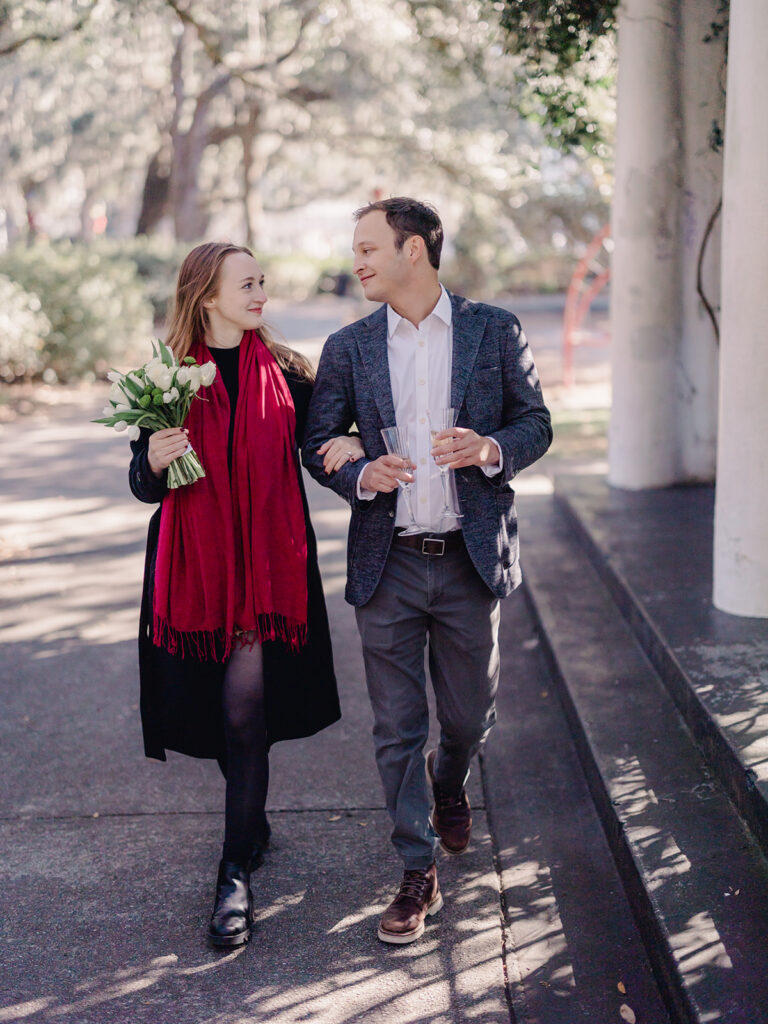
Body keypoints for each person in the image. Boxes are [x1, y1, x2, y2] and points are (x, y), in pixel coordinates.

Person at [302, 197, 552, 944]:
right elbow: (317, 439)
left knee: (470, 716)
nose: (359, 261)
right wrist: (354, 470)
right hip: (390, 561)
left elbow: (535, 422)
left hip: (472, 560)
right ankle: (416, 871)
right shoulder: (348, 346)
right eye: (356, 249)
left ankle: (450, 786)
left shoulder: (493, 329)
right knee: (396, 726)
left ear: (415, 249)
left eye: (370, 247)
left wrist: (488, 449)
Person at [128, 241, 363, 948]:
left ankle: (233, 871)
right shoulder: (167, 379)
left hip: (267, 574)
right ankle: (250, 820)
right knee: (215, 710)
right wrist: (152, 461)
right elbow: (142, 484)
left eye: (263, 281)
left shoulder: (289, 374)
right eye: (247, 284)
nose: (261, 293)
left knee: (243, 715)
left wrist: (348, 454)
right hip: (194, 573)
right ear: (206, 296)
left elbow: (321, 451)